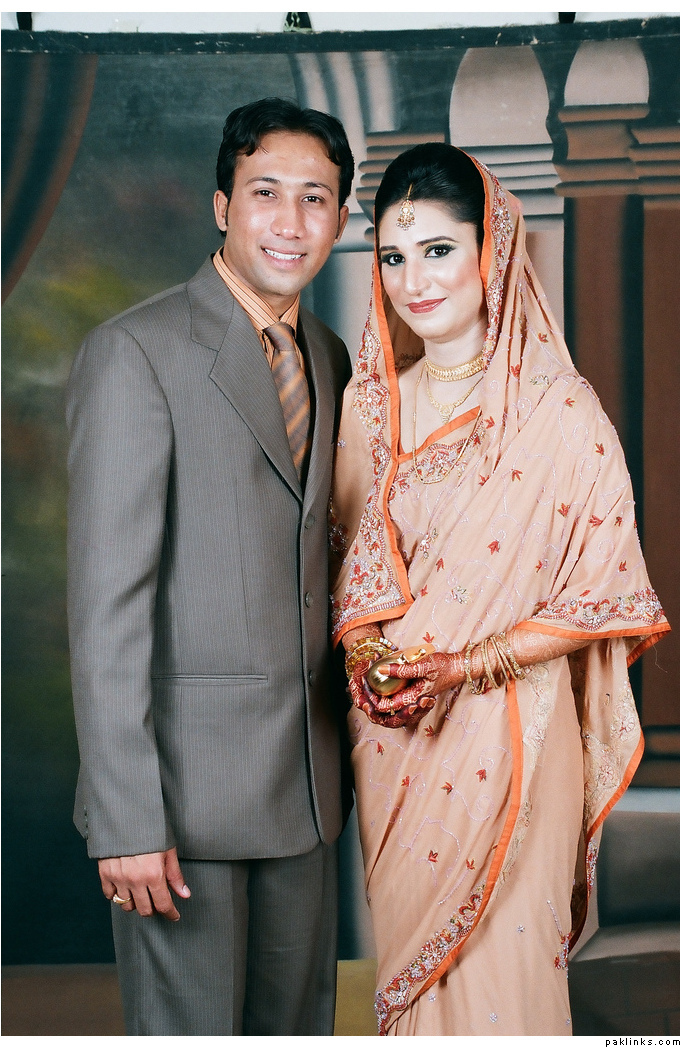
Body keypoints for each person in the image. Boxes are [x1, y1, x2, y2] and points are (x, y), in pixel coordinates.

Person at [330, 143, 669, 1036]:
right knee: (413, 984)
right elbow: (350, 567)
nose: (413, 280)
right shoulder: (369, 408)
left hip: (515, 729)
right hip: (398, 742)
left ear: (493, 250)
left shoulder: (561, 411)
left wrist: (464, 666)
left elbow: (604, 592)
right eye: (392, 256)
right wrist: (367, 658)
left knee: (505, 974)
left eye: (438, 249)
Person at [66, 97, 354, 1036]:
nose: (290, 221)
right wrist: (126, 819)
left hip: (306, 793)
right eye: (265, 193)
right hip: (180, 806)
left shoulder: (329, 356)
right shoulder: (134, 353)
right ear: (222, 206)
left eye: (315, 198)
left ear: (340, 219)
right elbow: (107, 608)